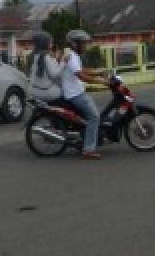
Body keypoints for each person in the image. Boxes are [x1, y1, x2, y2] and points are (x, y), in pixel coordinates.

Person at [59, 29, 104, 159]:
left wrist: (97, 72)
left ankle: (87, 138)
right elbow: (81, 76)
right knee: (94, 117)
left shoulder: (74, 56)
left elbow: (81, 70)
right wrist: (102, 82)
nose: (85, 46)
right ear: (75, 44)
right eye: (83, 44)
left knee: (92, 115)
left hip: (77, 92)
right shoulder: (72, 56)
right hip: (75, 94)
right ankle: (88, 150)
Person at [26, 31, 63, 103]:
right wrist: (63, 63)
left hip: (32, 90)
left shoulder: (32, 56)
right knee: (68, 93)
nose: (52, 44)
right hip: (46, 92)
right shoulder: (46, 57)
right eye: (50, 42)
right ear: (44, 43)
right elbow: (54, 75)